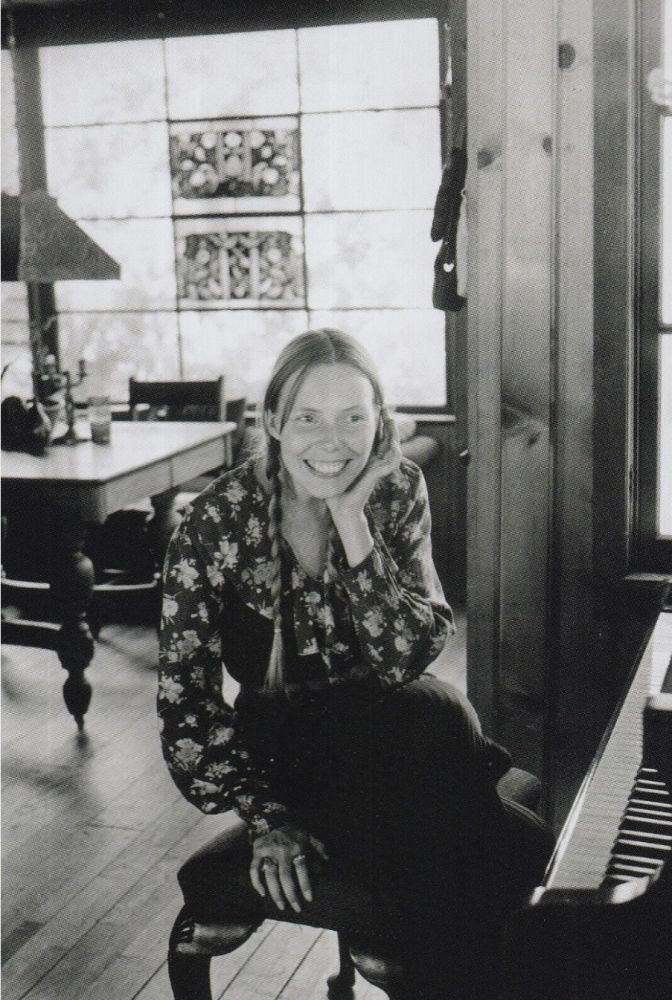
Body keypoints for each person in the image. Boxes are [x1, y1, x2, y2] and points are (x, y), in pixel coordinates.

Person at [157, 328, 511, 1000]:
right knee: (480, 825)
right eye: (309, 419)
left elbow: (405, 658)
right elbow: (185, 705)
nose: (333, 442)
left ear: (380, 421)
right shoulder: (213, 523)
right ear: (273, 422)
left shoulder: (397, 488)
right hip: (283, 752)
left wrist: (352, 520)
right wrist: (267, 818)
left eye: (353, 418)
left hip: (394, 731)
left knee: (437, 720)